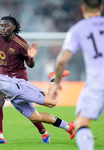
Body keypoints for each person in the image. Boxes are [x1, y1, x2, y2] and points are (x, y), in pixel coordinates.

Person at [0, 4, 50, 144]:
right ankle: (0, 136)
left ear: (13, 27)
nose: (2, 28)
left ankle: (43, 132)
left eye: (6, 26)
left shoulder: (21, 44)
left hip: (18, 78)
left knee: (28, 110)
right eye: (1, 25)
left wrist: (31, 58)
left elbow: (30, 65)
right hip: (2, 76)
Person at [48, 0, 104, 150]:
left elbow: (62, 60)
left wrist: (56, 81)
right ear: (101, 8)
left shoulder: (78, 29)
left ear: (83, 9)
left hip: (97, 81)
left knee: (81, 123)